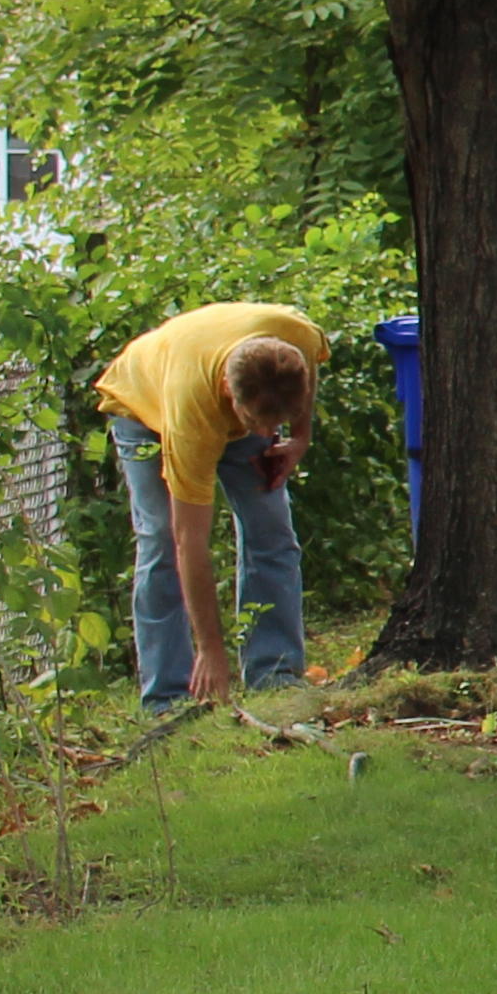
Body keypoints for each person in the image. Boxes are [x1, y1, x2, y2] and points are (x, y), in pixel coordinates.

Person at [94, 301, 326, 706]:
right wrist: (212, 651)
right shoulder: (192, 417)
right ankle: (170, 695)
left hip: (242, 393)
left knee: (272, 534)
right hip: (146, 408)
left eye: (276, 424)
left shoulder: (296, 337)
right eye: (261, 425)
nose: (270, 432)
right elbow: (191, 544)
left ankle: (275, 676)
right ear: (228, 393)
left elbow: (305, 376)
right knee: (162, 541)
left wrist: (300, 438)